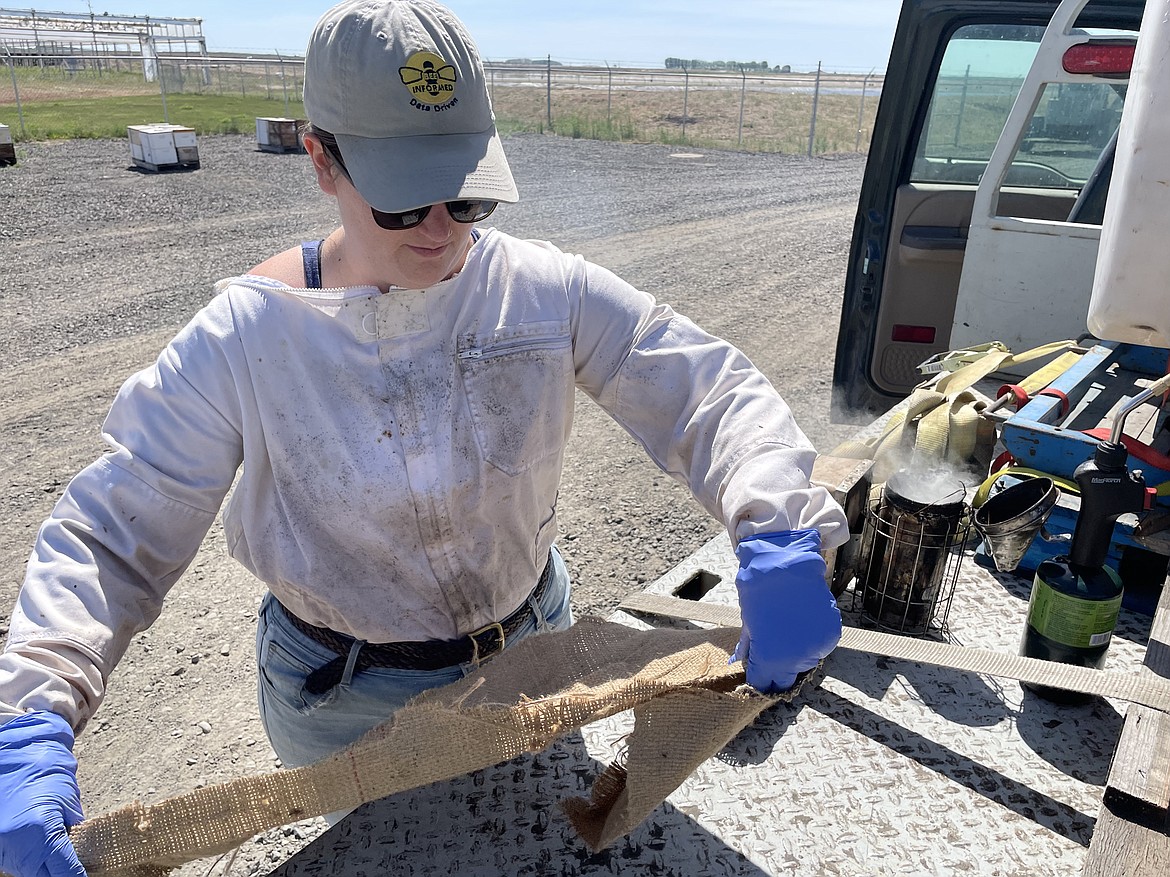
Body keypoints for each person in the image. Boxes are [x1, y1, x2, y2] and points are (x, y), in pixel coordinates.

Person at [0, 1, 849, 874]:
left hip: (533, 653)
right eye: (403, 201)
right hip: (348, 699)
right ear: (321, 159)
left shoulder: (540, 292)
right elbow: (113, 534)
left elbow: (701, 388)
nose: (442, 228)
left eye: (466, 192)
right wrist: (31, 716)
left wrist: (778, 524)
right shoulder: (248, 338)